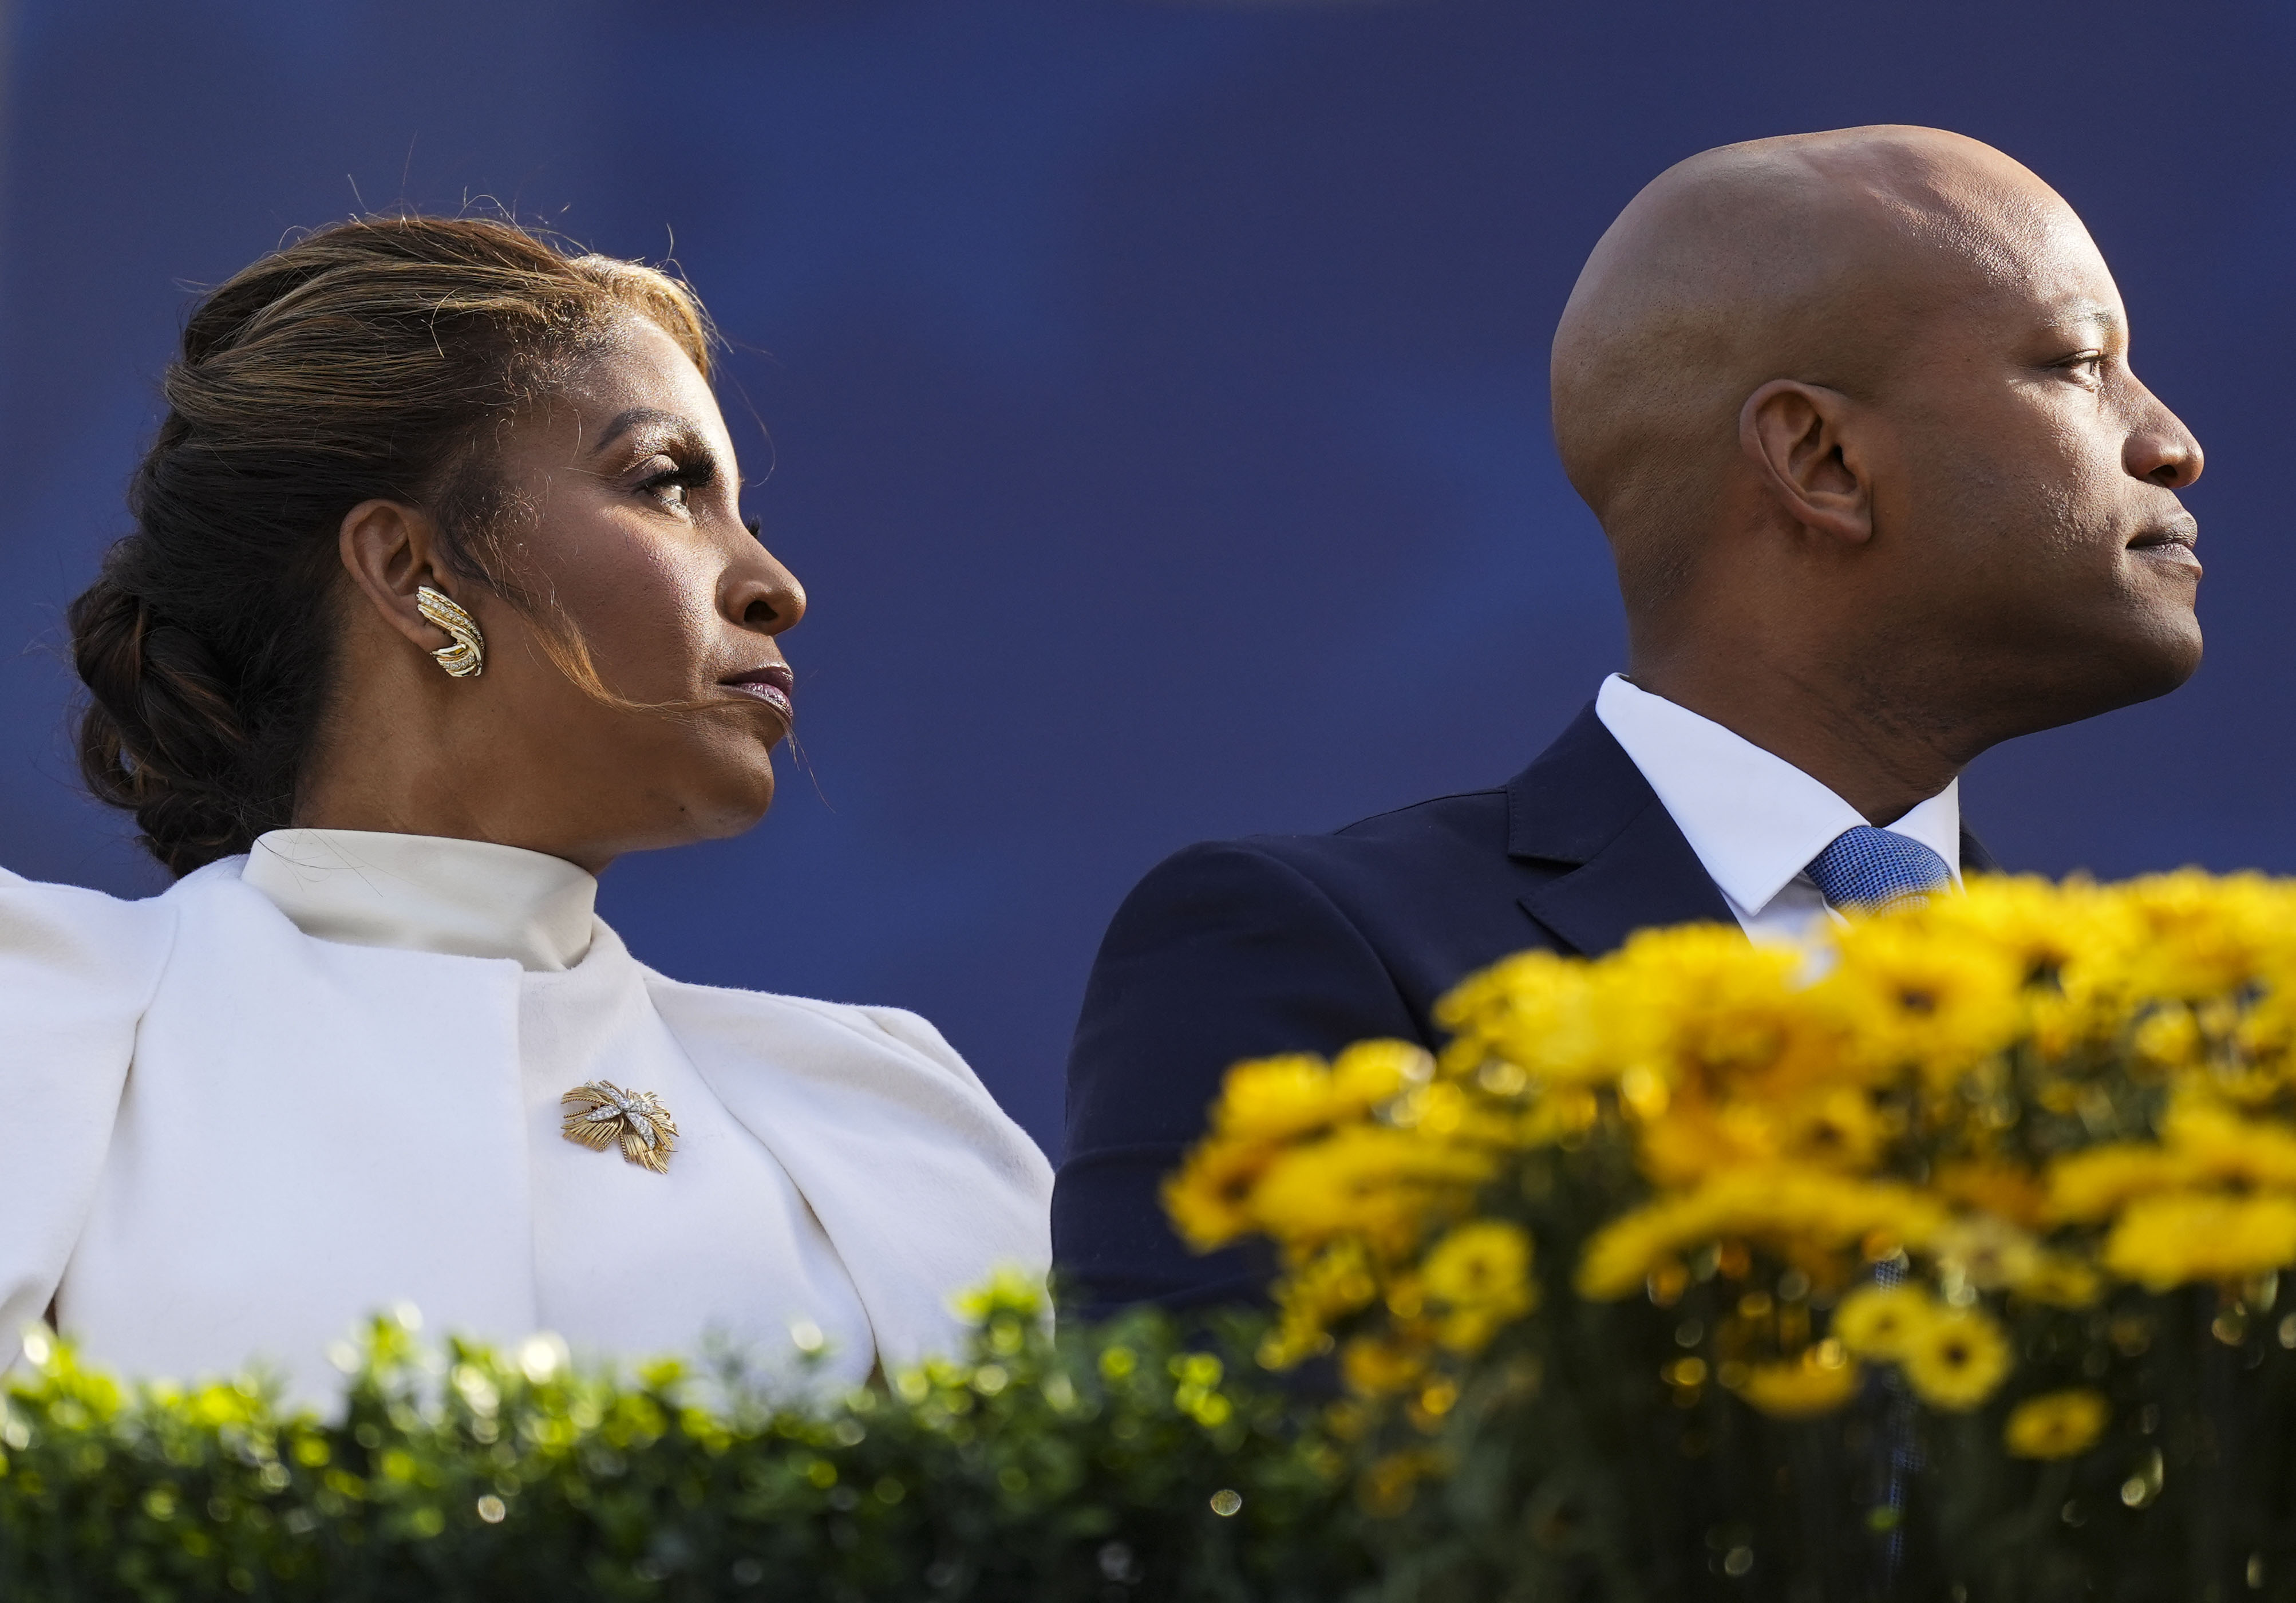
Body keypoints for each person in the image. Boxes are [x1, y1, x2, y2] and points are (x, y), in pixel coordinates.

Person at [1054, 125, 2206, 1314]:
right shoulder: (1318, 958)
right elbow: (1226, 1483)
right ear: (1820, 458)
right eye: (2079, 363)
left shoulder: (2146, 1050)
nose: (2171, 443)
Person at [0, 216, 1052, 1396]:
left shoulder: (879, 1114)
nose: (773, 585)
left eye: (743, 512)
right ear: (410, 568)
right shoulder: (38, 1023)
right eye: (666, 486)